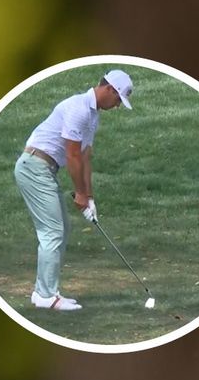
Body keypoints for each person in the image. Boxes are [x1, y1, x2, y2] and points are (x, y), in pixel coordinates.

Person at [14, 69, 134, 311]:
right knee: (53, 231)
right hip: (34, 166)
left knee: (61, 229)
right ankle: (47, 296)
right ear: (109, 89)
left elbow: (85, 157)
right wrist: (79, 194)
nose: (118, 105)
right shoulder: (78, 108)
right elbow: (72, 155)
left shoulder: (93, 117)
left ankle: (43, 292)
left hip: (44, 169)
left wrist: (89, 197)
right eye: (119, 99)